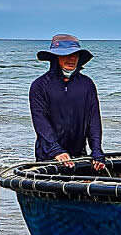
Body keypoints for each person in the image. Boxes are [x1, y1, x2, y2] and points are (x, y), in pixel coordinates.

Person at [29, 34, 106, 171]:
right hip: (48, 156)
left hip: (79, 156)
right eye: (66, 55)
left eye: (75, 55)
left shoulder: (87, 85)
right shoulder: (39, 86)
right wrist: (56, 150)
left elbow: (93, 120)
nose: (72, 59)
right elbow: (40, 122)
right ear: (54, 57)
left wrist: (96, 150)